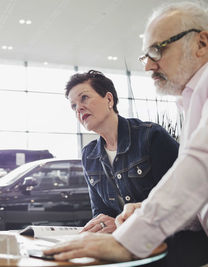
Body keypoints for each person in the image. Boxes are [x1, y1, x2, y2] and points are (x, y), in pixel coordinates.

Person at [44, 2, 208, 267]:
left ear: (202, 43)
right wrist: (137, 212)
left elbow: (196, 173)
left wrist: (127, 241)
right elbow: (194, 201)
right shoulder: (192, 100)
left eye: (158, 50)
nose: (148, 66)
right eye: (146, 56)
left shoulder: (151, 135)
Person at [65, 70, 178, 234]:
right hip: (124, 242)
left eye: (84, 98)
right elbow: (101, 213)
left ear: (109, 99)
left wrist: (122, 224)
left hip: (166, 241)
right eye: (73, 106)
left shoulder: (151, 136)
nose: (79, 109)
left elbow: (178, 200)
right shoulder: (89, 155)